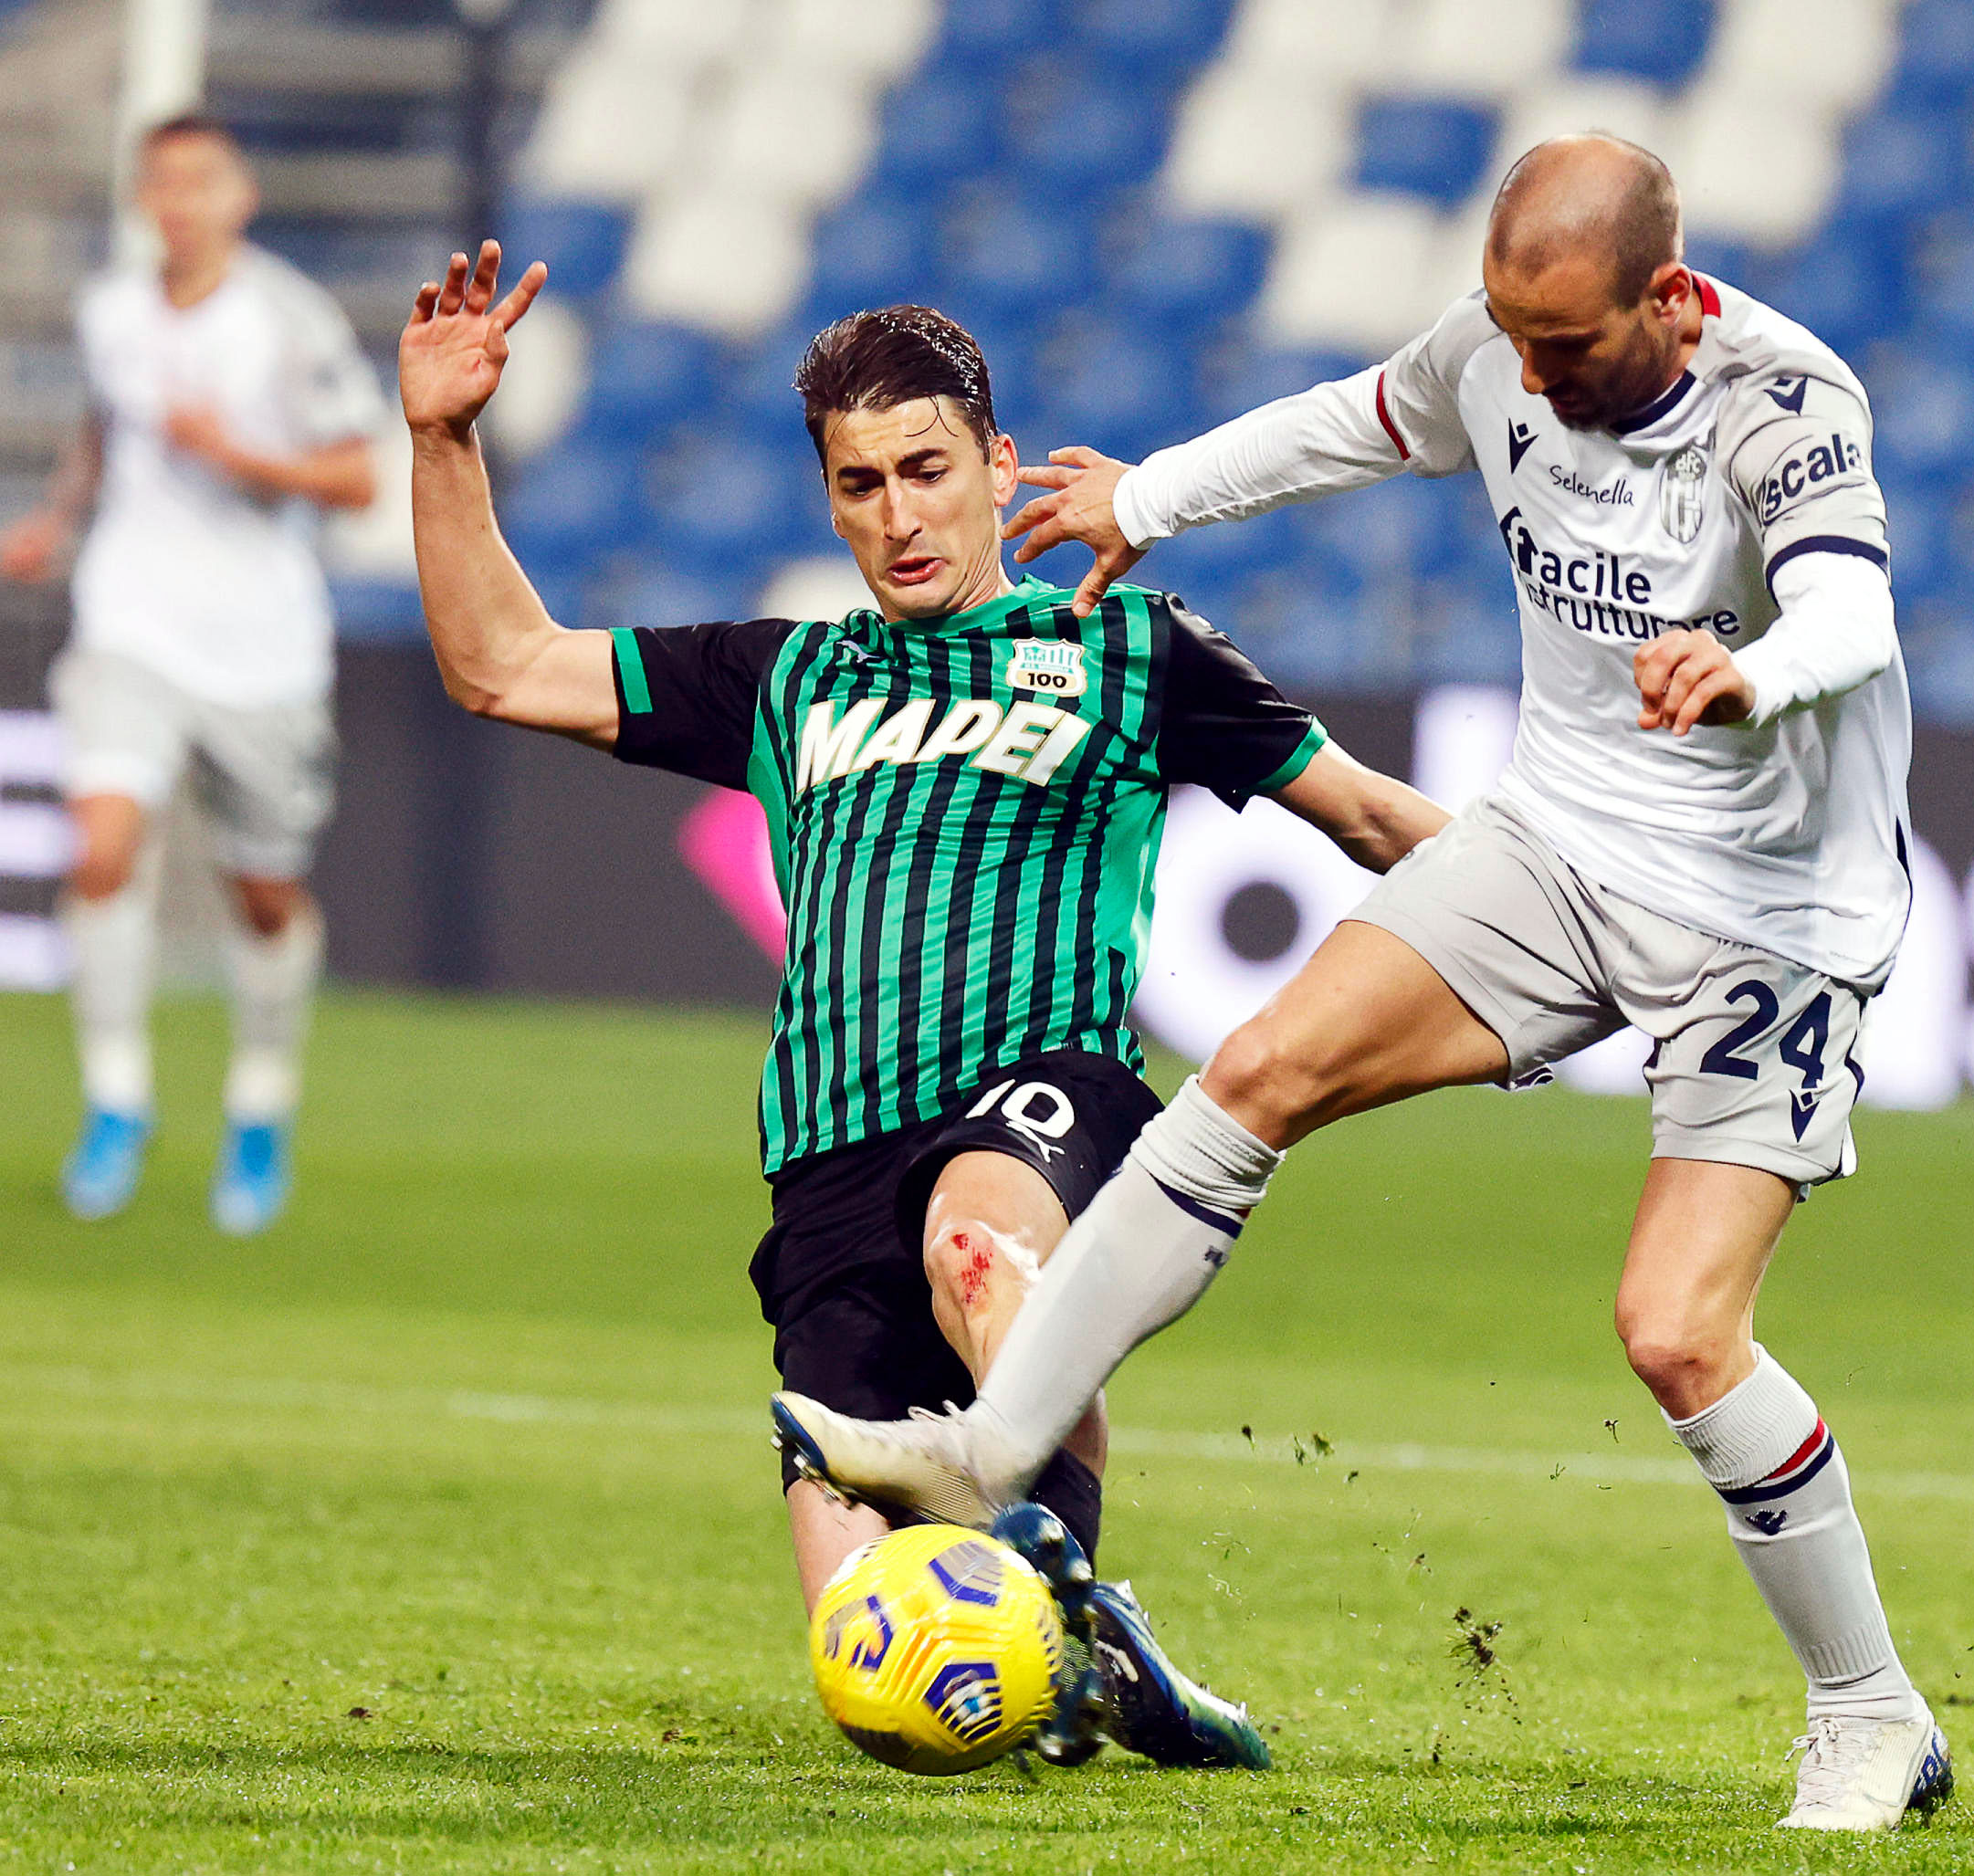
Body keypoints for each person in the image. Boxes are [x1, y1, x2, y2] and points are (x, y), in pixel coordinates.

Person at [774, 136, 1952, 1830]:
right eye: (1506, 336)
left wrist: (1751, 671)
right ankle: (987, 1443)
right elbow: (1352, 422)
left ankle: (1869, 1715)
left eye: (1559, 349)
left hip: (1770, 911)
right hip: (1554, 844)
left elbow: (1850, 612)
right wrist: (1146, 495)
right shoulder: (1496, 347)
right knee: (1254, 1072)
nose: (1523, 380)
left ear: (1670, 300)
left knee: (1676, 1334)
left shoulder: (1785, 397)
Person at [400, 243, 1447, 1767]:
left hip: (1043, 1095)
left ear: (998, 464)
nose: (897, 516)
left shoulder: (1129, 650)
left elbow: (1369, 822)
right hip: (826, 1156)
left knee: (983, 1248)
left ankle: (1073, 1614)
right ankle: (1075, 1659)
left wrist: (1585, 927)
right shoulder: (786, 677)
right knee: (882, 1690)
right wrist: (440, 438)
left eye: (927, 470)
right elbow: (500, 666)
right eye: (859, 483)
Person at [0, 112, 380, 1233]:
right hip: (130, 619)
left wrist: (241, 455)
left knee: (261, 896)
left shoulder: (286, 319)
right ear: (142, 198)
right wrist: (57, 519)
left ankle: (260, 1102)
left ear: (239, 195)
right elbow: (105, 431)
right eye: (159, 183)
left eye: (199, 182)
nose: (178, 203)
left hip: (260, 644)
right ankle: (117, 1100)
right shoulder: (112, 309)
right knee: (104, 844)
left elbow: (359, 477)